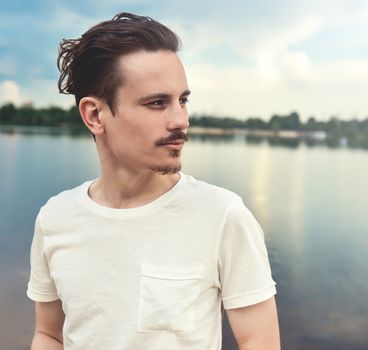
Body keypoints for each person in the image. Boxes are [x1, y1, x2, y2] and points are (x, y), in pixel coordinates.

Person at [26, 12, 280, 350]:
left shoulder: (222, 216)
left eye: (183, 100)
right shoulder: (54, 219)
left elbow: (257, 341)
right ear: (95, 115)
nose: (180, 120)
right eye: (157, 103)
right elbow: (48, 334)